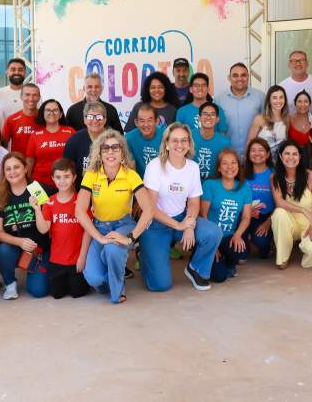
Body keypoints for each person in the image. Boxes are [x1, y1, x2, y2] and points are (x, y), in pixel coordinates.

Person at [139, 123, 222, 292]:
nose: (180, 145)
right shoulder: (155, 166)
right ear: (166, 144)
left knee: (213, 233)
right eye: (175, 140)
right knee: (160, 285)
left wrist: (189, 225)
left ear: (189, 143)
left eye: (184, 140)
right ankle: (144, 254)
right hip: (155, 223)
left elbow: (193, 202)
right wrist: (178, 226)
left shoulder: (192, 167)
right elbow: (150, 208)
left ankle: (196, 269)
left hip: (181, 217)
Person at [75, 130, 154, 304]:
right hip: (99, 227)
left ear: (122, 152)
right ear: (99, 153)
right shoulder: (91, 175)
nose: (110, 152)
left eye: (115, 148)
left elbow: (149, 210)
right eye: (106, 148)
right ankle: (113, 274)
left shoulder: (130, 175)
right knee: (94, 279)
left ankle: (118, 289)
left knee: (112, 249)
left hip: (123, 225)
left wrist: (130, 238)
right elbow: (80, 211)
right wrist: (99, 238)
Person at [0, 153, 51, 300]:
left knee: (38, 291)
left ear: (25, 168)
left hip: (40, 249)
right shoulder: (0, 195)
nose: (12, 172)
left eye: (16, 167)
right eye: (8, 169)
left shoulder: (37, 189)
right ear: (4, 173)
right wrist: (20, 242)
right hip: (15, 247)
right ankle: (10, 283)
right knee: (2, 250)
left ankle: (34, 269)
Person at [33, 158, 91, 299]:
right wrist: (37, 209)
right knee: (57, 294)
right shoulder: (49, 202)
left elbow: (88, 231)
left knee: (77, 293)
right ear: (53, 178)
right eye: (58, 177)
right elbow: (43, 229)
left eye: (66, 176)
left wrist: (83, 257)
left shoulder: (81, 201)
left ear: (74, 177)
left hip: (76, 260)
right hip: (57, 260)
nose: (62, 181)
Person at [270, 140, 312, 269]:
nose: (291, 157)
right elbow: (279, 202)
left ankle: (306, 248)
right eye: (287, 153)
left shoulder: (310, 176)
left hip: (310, 220)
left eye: (294, 154)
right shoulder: (275, 177)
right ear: (280, 156)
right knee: (279, 212)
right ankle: (283, 257)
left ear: (300, 157)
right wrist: (303, 210)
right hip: (288, 221)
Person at [201, 148, 252, 282]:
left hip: (228, 236)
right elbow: (203, 215)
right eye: (225, 163)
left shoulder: (244, 187)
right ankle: (203, 257)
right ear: (219, 168)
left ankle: (228, 262)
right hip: (210, 237)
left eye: (233, 163)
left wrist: (237, 235)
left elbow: (246, 217)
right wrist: (212, 246)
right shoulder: (210, 185)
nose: (230, 167)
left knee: (240, 251)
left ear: (238, 166)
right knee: (219, 277)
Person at [25, 99, 75, 196]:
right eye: (48, 110)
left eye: (55, 110)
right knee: (39, 206)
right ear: (43, 114)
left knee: (65, 206)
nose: (51, 113)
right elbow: (30, 161)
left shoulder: (70, 132)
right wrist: (28, 182)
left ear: (61, 114)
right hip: (38, 184)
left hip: (65, 183)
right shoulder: (35, 135)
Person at [214, 63, 265, 157]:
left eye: (243, 75)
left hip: (254, 155)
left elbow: (267, 127)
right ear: (229, 78)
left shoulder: (260, 97)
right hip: (228, 155)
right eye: (235, 75)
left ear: (248, 77)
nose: (240, 79)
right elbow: (215, 129)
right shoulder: (219, 100)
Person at [243, 138, 275, 259]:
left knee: (261, 244)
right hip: (244, 215)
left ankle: (267, 243)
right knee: (241, 254)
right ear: (248, 154)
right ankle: (246, 242)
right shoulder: (241, 173)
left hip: (265, 217)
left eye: (261, 150)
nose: (257, 153)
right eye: (253, 150)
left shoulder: (274, 174)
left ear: (267, 154)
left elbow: (281, 202)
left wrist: (269, 222)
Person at [63, 102, 107, 184]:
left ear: (105, 119)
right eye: (90, 117)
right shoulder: (74, 141)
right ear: (84, 120)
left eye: (99, 117)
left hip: (109, 188)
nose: (95, 120)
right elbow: (67, 170)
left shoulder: (114, 140)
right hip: (82, 188)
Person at [246, 84, 288, 162]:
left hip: (280, 164)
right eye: (274, 98)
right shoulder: (260, 119)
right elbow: (249, 144)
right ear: (269, 100)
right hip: (262, 163)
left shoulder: (287, 119)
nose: (278, 101)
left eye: (281, 97)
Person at [193, 102, 232, 180]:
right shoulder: (189, 136)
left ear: (217, 119)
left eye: (212, 114)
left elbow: (226, 168)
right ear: (199, 118)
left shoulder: (225, 143)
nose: (208, 117)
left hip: (213, 183)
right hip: (191, 183)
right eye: (205, 114)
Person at [125, 103, 165, 177]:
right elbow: (131, 167)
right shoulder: (129, 138)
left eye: (149, 120)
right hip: (139, 180)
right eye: (142, 121)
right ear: (136, 122)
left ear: (156, 121)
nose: (146, 124)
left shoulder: (166, 137)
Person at [279, 50, 312, 116]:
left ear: (307, 64)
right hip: (290, 123)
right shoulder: (282, 87)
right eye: (294, 61)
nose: (298, 64)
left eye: (302, 60)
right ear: (289, 65)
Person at [1, 83, 40, 154]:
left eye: (35, 95)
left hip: (40, 160)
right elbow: (2, 146)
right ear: (21, 97)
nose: (31, 99)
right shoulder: (11, 120)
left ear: (39, 98)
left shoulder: (45, 118)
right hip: (19, 160)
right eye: (27, 95)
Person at [0, 58, 27, 129]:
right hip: (3, 135)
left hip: (29, 136)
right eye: (13, 69)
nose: (17, 72)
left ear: (25, 73)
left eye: (20, 70)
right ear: (7, 73)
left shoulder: (32, 93)